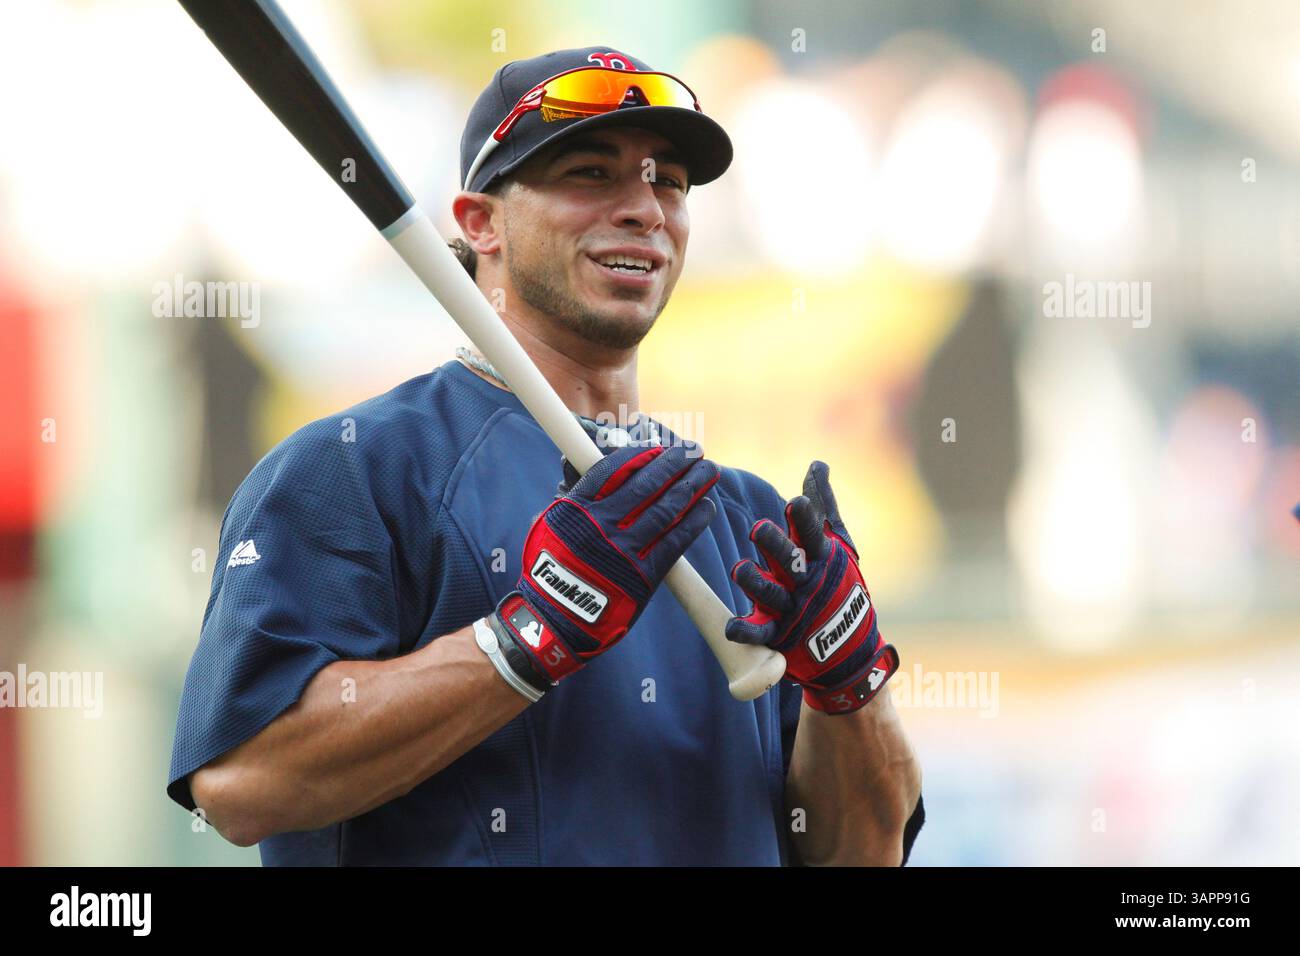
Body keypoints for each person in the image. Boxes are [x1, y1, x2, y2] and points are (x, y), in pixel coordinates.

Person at [166, 46, 925, 866]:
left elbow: (859, 854)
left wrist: (849, 685)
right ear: (480, 222)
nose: (644, 208)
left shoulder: (752, 522)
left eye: (667, 180)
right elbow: (242, 785)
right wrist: (529, 637)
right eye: (592, 174)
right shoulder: (355, 470)